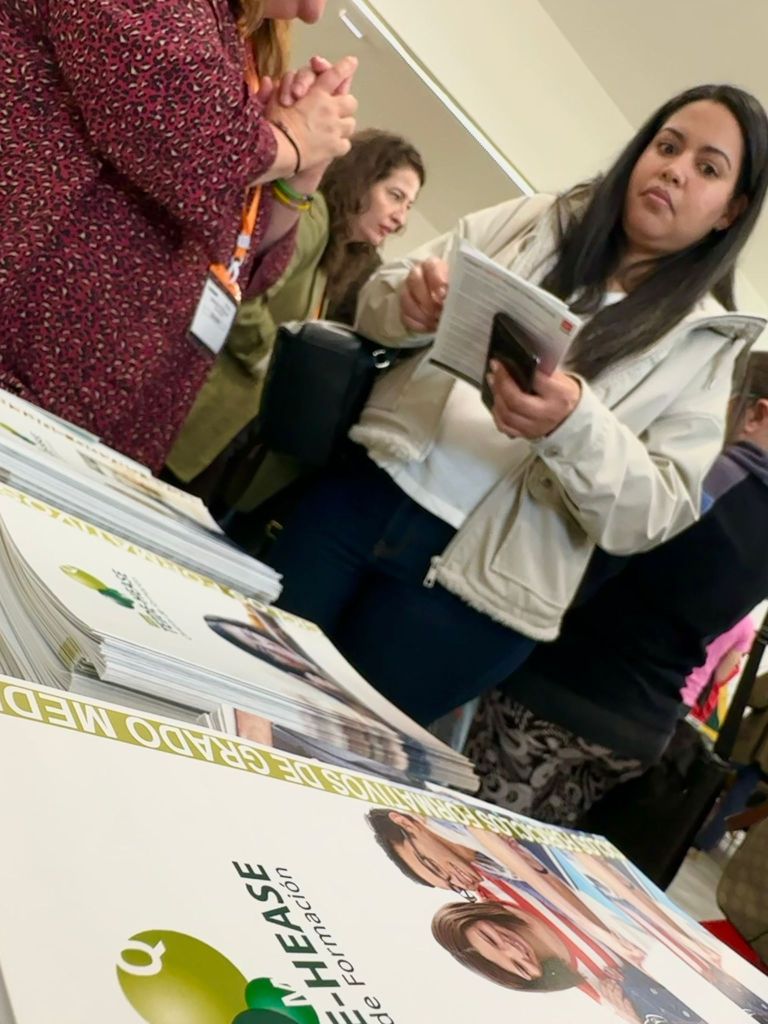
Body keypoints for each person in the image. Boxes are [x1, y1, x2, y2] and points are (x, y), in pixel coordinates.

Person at [262, 84, 768, 726]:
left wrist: (573, 425)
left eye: (708, 168)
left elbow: (653, 515)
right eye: (667, 146)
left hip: (472, 601)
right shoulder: (538, 219)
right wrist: (409, 307)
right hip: (361, 497)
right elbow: (378, 297)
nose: (675, 169)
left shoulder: (707, 345)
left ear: (730, 212)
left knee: (324, 751)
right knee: (235, 684)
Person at [0, 0, 358, 470]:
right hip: (26, 356)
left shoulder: (235, 44)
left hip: (103, 402)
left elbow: (240, 256)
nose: (315, 13)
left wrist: (300, 175)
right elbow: (181, 135)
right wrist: (291, 139)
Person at [465, 352, 768, 826]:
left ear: (756, 412)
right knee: (520, 847)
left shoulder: (707, 479)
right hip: (641, 728)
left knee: (462, 828)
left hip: (565, 687)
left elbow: (599, 564)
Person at [165, 130, 425, 494]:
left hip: (220, 432)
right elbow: (243, 293)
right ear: (361, 180)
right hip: (191, 408)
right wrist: (273, 362)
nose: (400, 219)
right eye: (395, 196)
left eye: (409, 206)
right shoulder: (313, 217)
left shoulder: (340, 257)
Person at [432, 901, 705, 1023]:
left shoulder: (507, 895)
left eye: (490, 938)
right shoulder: (590, 989)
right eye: (520, 967)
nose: (514, 950)